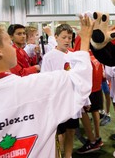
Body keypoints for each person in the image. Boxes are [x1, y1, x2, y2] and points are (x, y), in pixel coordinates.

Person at [0, 14, 94, 157]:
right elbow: (81, 80)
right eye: (9, 43)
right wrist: (85, 38)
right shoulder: (38, 86)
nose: (14, 47)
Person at [41, 23, 79, 158]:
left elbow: (79, 78)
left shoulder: (74, 55)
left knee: (71, 131)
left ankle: (68, 155)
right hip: (57, 101)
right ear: (55, 37)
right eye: (64, 37)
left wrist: (84, 99)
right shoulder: (49, 57)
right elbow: (44, 80)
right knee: (58, 133)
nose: (67, 40)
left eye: (69, 38)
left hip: (72, 100)